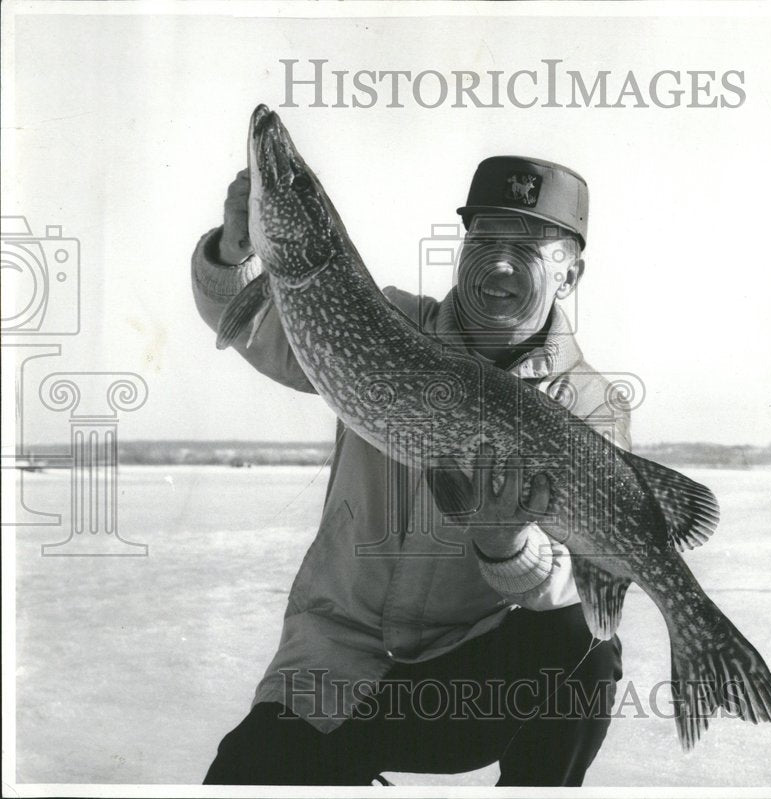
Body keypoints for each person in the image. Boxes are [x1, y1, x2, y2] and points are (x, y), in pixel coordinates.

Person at [191, 155, 631, 786]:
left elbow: (592, 586)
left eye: (527, 246)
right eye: (483, 240)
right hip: (332, 667)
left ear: (571, 275)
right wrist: (236, 252)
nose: (498, 264)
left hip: (463, 684)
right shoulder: (383, 322)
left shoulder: (590, 406)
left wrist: (506, 546)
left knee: (586, 649)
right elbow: (257, 326)